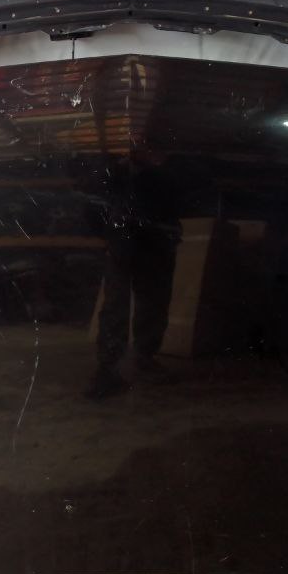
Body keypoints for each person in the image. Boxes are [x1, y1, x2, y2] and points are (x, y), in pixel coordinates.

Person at [86, 152, 183, 399]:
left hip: (153, 245)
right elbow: (93, 204)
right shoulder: (112, 172)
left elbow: (176, 205)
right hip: (125, 244)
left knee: (151, 303)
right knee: (116, 305)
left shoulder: (164, 173)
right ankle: (109, 367)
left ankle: (141, 358)